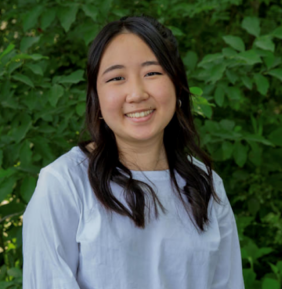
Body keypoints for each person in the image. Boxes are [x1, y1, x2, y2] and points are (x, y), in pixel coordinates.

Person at [22, 15, 245, 289]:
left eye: (152, 73)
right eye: (116, 78)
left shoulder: (206, 185)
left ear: (177, 85)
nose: (136, 93)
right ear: (97, 98)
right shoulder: (65, 183)